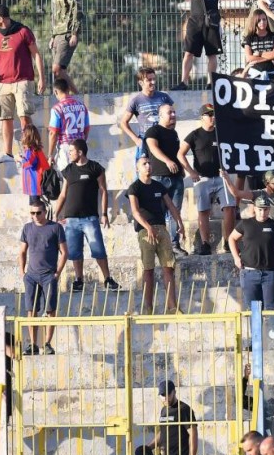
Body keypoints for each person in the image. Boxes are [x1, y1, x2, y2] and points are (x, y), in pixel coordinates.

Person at [53, 139, 121, 292]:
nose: (69, 154)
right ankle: (79, 280)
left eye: (71, 151)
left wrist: (104, 213)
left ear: (80, 152)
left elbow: (103, 190)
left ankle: (107, 278)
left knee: (98, 249)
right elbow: (63, 194)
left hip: (90, 217)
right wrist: (56, 213)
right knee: (75, 252)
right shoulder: (68, 170)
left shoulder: (95, 168)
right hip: (71, 219)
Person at [0, 4, 45, 164]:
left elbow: (36, 55)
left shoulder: (23, 31)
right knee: (6, 118)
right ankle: (8, 153)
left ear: (1, 19)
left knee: (24, 117)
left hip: (22, 81)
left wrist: (42, 78)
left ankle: (30, 151)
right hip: (3, 82)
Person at [128, 157, 184, 314]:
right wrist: (147, 227)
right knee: (148, 269)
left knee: (168, 266)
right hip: (145, 231)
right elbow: (135, 212)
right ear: (137, 168)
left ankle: (172, 306)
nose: (148, 166)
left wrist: (180, 223)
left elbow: (171, 206)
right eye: (144, 164)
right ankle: (148, 307)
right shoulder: (134, 188)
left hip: (161, 228)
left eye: (149, 163)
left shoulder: (158, 186)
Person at [179, 103, 236, 255]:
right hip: (202, 179)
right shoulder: (194, 134)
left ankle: (229, 241)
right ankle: (205, 243)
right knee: (203, 210)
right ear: (202, 117)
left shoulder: (220, 133)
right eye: (209, 115)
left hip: (220, 177)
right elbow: (180, 154)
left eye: (214, 114)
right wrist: (191, 172)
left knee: (230, 208)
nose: (213, 117)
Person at [19, 202, 67, 355]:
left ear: (45, 212)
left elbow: (64, 252)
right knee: (31, 310)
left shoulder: (56, 227)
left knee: (50, 310)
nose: (35, 216)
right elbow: (22, 252)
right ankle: (33, 344)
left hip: (48, 275)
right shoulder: (27, 228)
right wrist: (22, 272)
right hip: (31, 275)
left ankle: (47, 343)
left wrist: (57, 274)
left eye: (38, 213)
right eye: (32, 213)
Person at [230, 194, 274, 313]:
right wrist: (236, 257)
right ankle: (256, 332)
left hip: (271, 272)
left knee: (272, 308)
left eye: (265, 209)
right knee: (254, 310)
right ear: (255, 208)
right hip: (249, 272)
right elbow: (232, 238)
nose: (263, 213)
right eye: (260, 209)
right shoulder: (245, 224)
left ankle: (272, 331)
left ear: (269, 209)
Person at [144, 104, 187, 256]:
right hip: (159, 178)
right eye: (170, 112)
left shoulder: (174, 133)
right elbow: (153, 148)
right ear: (160, 115)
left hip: (176, 179)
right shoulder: (153, 131)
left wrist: (182, 169)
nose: (173, 115)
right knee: (158, 213)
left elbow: (177, 154)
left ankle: (174, 245)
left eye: (174, 112)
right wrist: (167, 161)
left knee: (176, 212)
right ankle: (158, 245)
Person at [45, 0, 83, 91]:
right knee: (59, 73)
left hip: (67, 33)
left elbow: (77, 9)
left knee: (57, 69)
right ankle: (66, 97)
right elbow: (55, 14)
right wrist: (52, 36)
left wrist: (74, 33)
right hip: (58, 34)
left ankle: (77, 96)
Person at [120, 67, 174, 157]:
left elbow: (173, 117)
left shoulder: (164, 97)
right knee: (145, 169)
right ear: (141, 83)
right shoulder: (136, 101)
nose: (153, 82)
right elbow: (123, 122)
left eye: (154, 79)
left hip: (163, 140)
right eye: (149, 80)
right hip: (145, 142)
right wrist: (136, 140)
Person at [151, 380, 199, 455]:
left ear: (174, 392)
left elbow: (193, 433)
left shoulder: (184, 409)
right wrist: (148, 447)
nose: (165, 398)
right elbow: (163, 432)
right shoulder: (164, 410)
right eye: (162, 395)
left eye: (168, 394)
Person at [46, 78, 88, 172]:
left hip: (66, 148)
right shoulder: (82, 106)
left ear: (55, 92)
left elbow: (53, 133)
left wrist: (50, 155)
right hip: (81, 147)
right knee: (80, 177)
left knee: (67, 179)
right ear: (68, 89)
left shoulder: (57, 109)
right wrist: (82, 142)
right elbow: (87, 128)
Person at [242, 10, 274, 81]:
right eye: (259, 20)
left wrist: (259, 54)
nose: (262, 22)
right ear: (255, 21)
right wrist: (269, 57)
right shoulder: (249, 38)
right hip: (255, 74)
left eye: (264, 19)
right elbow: (249, 58)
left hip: (272, 74)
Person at [19, 124, 49, 204]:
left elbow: (30, 163)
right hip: (35, 186)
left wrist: (19, 159)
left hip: (35, 186)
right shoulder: (34, 150)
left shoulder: (32, 150)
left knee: (35, 207)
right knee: (35, 208)